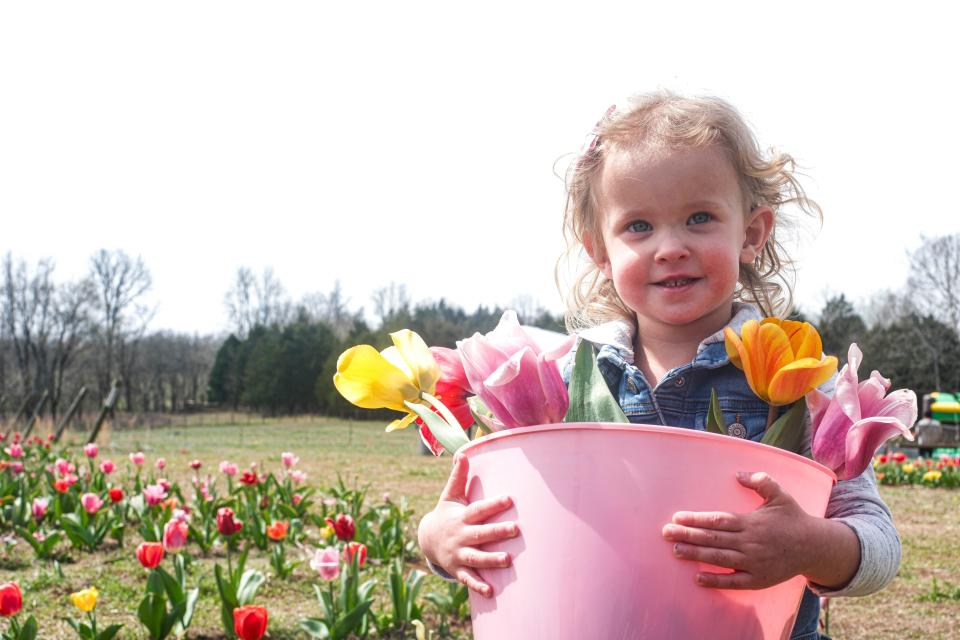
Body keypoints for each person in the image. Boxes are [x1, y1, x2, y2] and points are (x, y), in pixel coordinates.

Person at [417, 91, 900, 639]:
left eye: (699, 218)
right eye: (638, 227)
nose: (670, 247)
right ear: (599, 250)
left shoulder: (802, 380)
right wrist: (438, 537)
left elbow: (879, 541)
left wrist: (810, 545)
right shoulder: (562, 375)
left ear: (752, 232)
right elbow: (480, 505)